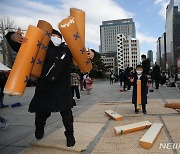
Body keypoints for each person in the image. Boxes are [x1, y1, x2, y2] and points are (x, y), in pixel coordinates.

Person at [5, 28, 94, 147]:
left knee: (67, 115)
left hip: (63, 87)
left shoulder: (68, 50)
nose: (54, 37)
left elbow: (83, 54)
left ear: (61, 38)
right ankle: (39, 126)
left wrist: (92, 53)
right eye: (51, 35)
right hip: (45, 87)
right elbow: (21, 48)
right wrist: (12, 37)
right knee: (41, 113)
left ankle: (69, 135)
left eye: (56, 35)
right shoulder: (41, 48)